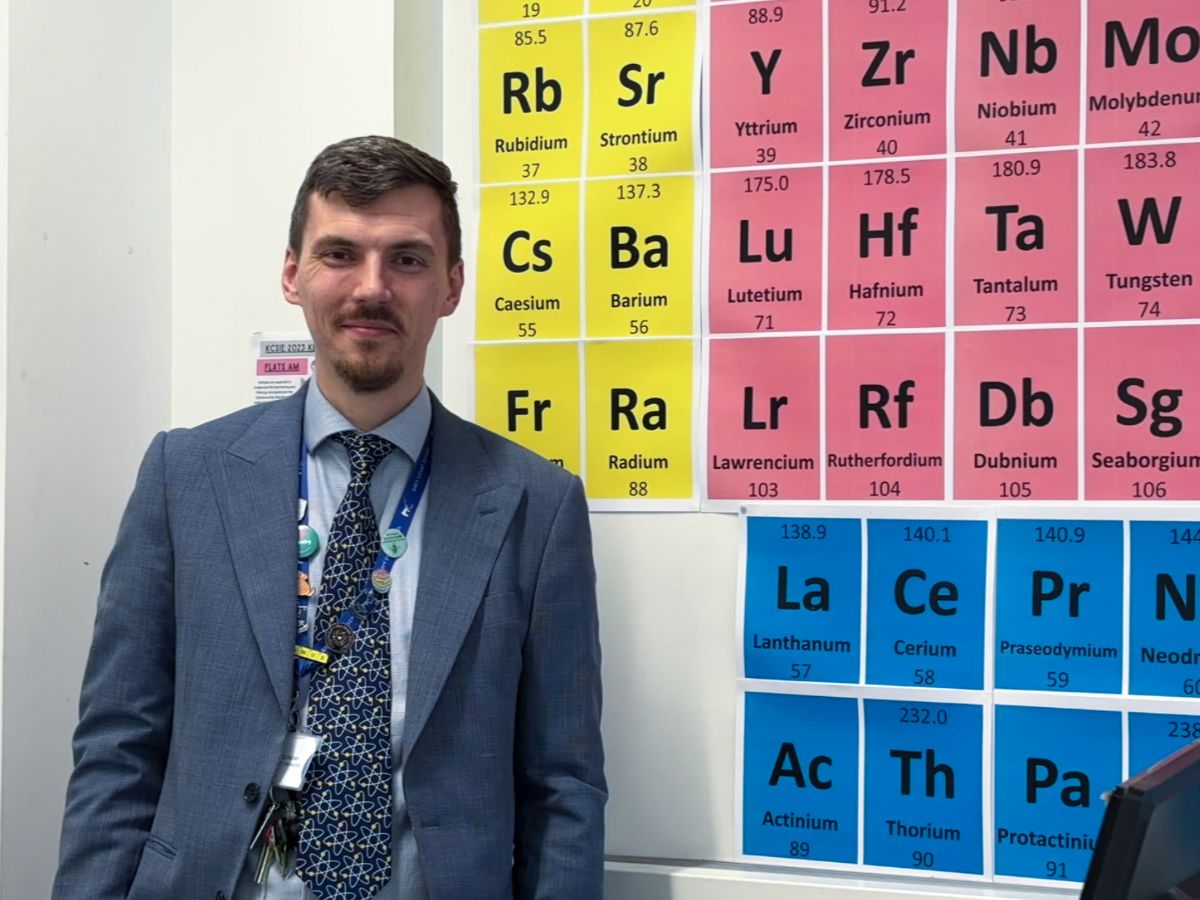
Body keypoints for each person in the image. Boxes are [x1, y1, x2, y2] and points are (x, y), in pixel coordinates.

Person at [52, 135, 606, 900]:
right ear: (292, 274)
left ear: (452, 285)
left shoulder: (534, 506)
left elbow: (564, 786)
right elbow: (118, 746)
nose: (371, 287)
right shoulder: (186, 478)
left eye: (407, 259)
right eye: (339, 253)